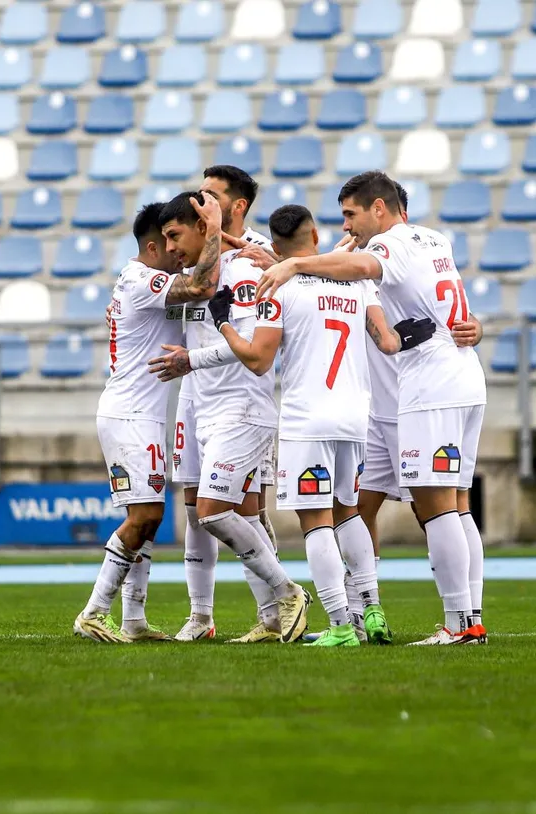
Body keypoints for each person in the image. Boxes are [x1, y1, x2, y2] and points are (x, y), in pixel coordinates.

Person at [256, 172, 488, 646]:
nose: (347, 225)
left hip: (428, 388)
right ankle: (405, 616)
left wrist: (294, 265)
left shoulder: (386, 248)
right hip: (450, 382)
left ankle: (461, 623)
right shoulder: (434, 239)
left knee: (437, 506)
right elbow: (441, 306)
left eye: (351, 214)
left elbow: (361, 266)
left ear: (378, 208)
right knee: (425, 505)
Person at [205, 204, 435, 646]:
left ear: (275, 247)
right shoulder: (356, 281)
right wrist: (412, 334)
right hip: (355, 417)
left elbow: (258, 360)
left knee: (316, 520)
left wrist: (224, 324)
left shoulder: (277, 287)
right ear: (314, 236)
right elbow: (388, 342)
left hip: (308, 419)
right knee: (349, 512)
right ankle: (372, 610)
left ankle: (341, 626)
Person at [150, 192, 310, 645]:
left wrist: (190, 360)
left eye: (175, 235)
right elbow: (172, 311)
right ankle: (270, 618)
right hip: (204, 410)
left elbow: (250, 346)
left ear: (207, 224)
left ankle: (288, 592)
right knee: (229, 513)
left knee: (213, 511)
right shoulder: (198, 275)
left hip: (241, 408)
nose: (171, 248)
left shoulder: (244, 270)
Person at [73, 198, 222, 643]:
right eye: (170, 242)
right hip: (130, 415)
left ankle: (133, 619)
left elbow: (193, 301)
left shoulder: (142, 285)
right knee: (145, 516)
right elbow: (199, 286)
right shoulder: (142, 280)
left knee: (149, 519)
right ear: (153, 246)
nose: (178, 252)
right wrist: (214, 230)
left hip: (142, 415)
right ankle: (93, 611)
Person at [170, 166, 279, 642]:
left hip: (240, 398)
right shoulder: (194, 248)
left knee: (245, 508)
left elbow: (256, 338)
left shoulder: (257, 256)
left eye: (211, 196)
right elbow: (185, 296)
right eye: (199, 194)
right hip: (194, 395)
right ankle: (200, 616)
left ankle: (274, 613)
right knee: (194, 507)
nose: (201, 202)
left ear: (238, 205)